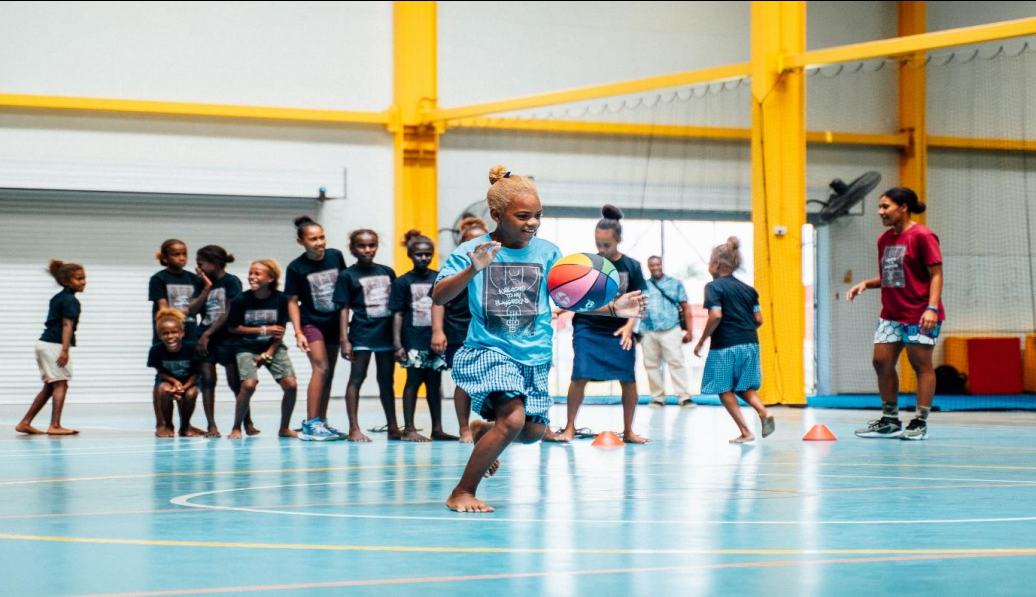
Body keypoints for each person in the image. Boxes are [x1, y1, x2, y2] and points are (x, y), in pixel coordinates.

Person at [434, 165, 646, 513]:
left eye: (538, 215)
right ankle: (462, 490)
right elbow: (439, 296)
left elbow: (568, 300)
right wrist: (473, 269)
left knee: (532, 432)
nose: (532, 222)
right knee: (514, 420)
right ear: (497, 215)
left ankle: (483, 429)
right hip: (489, 349)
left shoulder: (547, 252)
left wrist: (612, 308)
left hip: (534, 354)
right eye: (522, 216)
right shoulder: (473, 250)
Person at [544, 205, 650, 444]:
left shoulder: (631, 266)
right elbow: (576, 293)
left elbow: (638, 301)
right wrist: (562, 307)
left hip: (618, 330)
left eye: (607, 245)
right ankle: (569, 426)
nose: (601, 249)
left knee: (628, 379)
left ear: (619, 241)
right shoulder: (588, 263)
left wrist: (629, 326)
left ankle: (629, 430)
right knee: (580, 375)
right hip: (588, 328)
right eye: (598, 243)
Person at [848, 187, 944, 441]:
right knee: (881, 362)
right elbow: (894, 274)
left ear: (903, 208)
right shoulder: (884, 240)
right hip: (891, 313)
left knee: (920, 365)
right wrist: (866, 284)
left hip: (920, 313)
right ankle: (890, 420)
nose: (881, 212)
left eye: (885, 207)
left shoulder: (923, 236)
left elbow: (936, 274)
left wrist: (931, 308)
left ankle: (919, 422)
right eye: (880, 207)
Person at [694, 237, 774, 443]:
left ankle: (746, 431)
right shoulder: (749, 290)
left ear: (716, 264)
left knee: (723, 388)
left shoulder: (713, 287)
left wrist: (702, 340)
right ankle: (763, 412)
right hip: (750, 342)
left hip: (725, 345)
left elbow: (716, 315)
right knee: (743, 386)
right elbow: (758, 319)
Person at [284, 216, 348, 441]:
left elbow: (345, 284)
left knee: (328, 373)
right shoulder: (296, 267)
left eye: (321, 237)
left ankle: (321, 420)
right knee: (320, 368)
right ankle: (310, 423)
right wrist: (298, 331)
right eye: (313, 239)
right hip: (312, 322)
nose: (319, 242)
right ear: (301, 241)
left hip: (334, 322)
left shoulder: (335, 256)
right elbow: (292, 300)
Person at [333, 229, 399, 441]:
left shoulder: (387, 272)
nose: (367, 250)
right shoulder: (347, 275)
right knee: (357, 378)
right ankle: (354, 428)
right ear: (352, 249)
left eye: (371, 245)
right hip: (361, 334)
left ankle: (393, 427)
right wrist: (344, 339)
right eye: (362, 246)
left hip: (386, 335)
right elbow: (343, 309)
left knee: (386, 381)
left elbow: (397, 306)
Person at [391, 230, 455, 442]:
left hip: (434, 341)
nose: (424, 258)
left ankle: (437, 428)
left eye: (428, 254)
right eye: (419, 254)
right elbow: (398, 313)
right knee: (413, 382)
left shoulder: (439, 278)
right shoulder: (402, 282)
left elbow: (445, 307)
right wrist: (397, 343)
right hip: (413, 340)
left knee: (434, 384)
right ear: (410, 255)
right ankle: (408, 429)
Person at [431, 216, 489, 443]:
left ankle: (492, 425)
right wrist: (438, 331)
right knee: (463, 380)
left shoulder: (495, 266)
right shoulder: (452, 270)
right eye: (470, 242)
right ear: (462, 245)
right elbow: (438, 301)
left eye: (481, 241)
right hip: (458, 331)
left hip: (486, 330)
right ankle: (464, 428)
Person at [226, 260, 298, 439]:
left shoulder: (281, 299)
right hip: (246, 347)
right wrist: (263, 330)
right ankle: (236, 427)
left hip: (272, 346)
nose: (252, 277)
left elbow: (280, 330)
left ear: (271, 278)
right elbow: (233, 328)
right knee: (249, 385)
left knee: (291, 385)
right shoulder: (241, 300)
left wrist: (269, 353)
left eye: (257, 274)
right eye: (251, 273)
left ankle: (284, 428)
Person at [16, 259, 86, 436]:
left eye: (84, 278)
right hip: (54, 344)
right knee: (61, 384)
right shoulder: (70, 300)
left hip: (45, 344)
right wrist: (64, 350)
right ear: (66, 282)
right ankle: (55, 424)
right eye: (79, 278)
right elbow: (66, 325)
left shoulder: (59, 297)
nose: (84, 282)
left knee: (50, 386)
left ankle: (25, 423)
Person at [195, 245, 244, 438]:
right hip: (205, 338)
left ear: (213, 263)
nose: (197, 268)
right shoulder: (203, 283)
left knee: (234, 382)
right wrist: (205, 288)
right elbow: (196, 310)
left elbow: (230, 311)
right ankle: (211, 425)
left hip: (227, 338)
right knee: (207, 380)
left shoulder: (231, 282)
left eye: (200, 264)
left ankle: (245, 420)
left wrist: (209, 333)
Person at [640, 255, 695, 407]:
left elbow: (686, 307)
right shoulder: (643, 285)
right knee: (651, 365)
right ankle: (657, 398)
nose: (655, 268)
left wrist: (689, 331)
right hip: (648, 330)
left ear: (662, 265)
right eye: (652, 265)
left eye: (657, 265)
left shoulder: (675, 284)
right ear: (648, 266)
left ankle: (684, 397)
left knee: (676, 362)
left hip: (671, 329)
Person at [148, 309, 201, 438]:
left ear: (182, 333)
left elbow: (197, 373)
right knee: (163, 389)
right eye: (165, 333)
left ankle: (185, 426)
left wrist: (185, 386)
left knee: (191, 393)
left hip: (189, 381)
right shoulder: (156, 350)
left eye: (174, 332)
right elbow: (160, 372)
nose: (170, 336)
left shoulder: (191, 348)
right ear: (159, 336)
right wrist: (174, 382)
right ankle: (168, 425)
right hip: (169, 380)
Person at [148, 239, 205, 345]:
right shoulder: (159, 279)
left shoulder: (194, 279)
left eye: (184, 254)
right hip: (167, 333)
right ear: (165, 258)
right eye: (176, 255)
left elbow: (196, 308)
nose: (182, 258)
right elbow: (163, 311)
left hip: (189, 330)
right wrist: (187, 311)